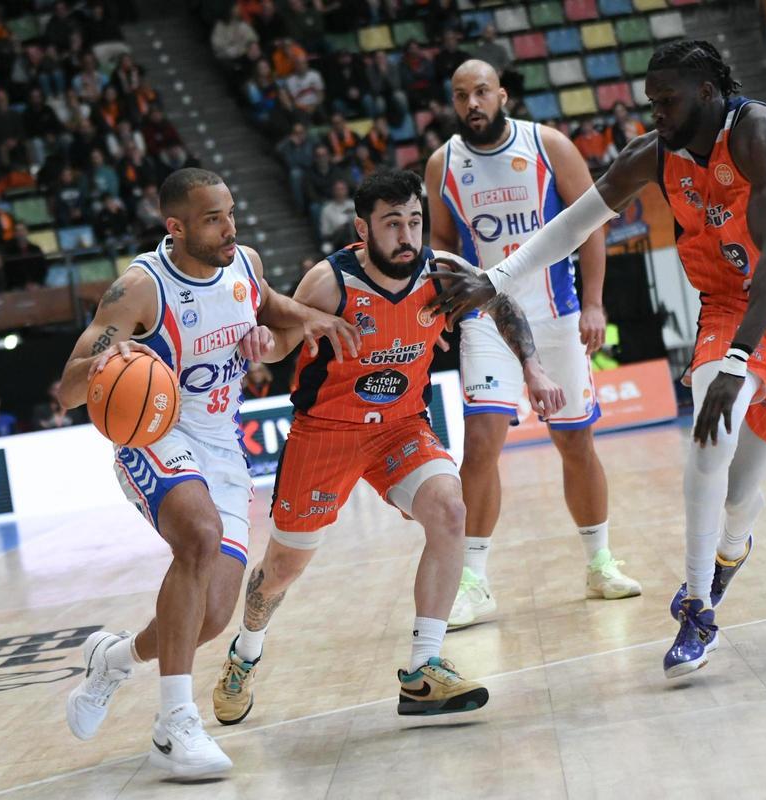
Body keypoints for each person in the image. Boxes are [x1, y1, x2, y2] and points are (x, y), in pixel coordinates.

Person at [425, 41, 766, 679]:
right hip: (730, 306)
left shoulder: (762, 134)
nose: (655, 113)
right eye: (651, 102)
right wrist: (499, 278)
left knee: (740, 491)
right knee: (709, 443)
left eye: (667, 100)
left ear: (707, 91)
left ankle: (733, 546)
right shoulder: (654, 154)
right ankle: (696, 608)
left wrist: (738, 364)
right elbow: (573, 222)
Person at [208, 170, 558, 728]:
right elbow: (281, 342)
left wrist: (534, 369)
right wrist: (258, 342)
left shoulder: (441, 273)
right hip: (325, 433)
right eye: (392, 223)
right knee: (281, 568)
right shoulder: (328, 282)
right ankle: (245, 652)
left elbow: (503, 304)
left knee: (449, 510)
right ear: (362, 228)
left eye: (414, 221)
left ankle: (424, 669)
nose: (406, 235)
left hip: (401, 427)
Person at [57, 168, 358, 778]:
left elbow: (272, 317)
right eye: (213, 218)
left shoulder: (243, 263)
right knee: (196, 536)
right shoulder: (139, 288)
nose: (230, 227)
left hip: (222, 445)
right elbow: (65, 390)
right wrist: (108, 360)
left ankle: (115, 659)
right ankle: (175, 725)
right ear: (176, 227)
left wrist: (301, 327)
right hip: (155, 433)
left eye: (230, 212)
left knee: (214, 616)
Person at [425, 60, 641, 628]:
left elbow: (593, 222)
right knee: (481, 444)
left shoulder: (548, 145)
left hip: (556, 314)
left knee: (575, 442)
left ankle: (599, 564)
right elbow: (442, 245)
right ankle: (474, 580)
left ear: (501, 94)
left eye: (480, 92)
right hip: (487, 318)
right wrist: (451, 300)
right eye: (459, 95)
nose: (471, 103)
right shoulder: (442, 164)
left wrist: (593, 303)